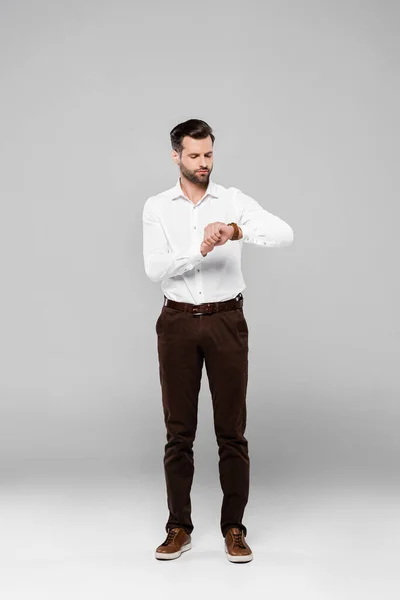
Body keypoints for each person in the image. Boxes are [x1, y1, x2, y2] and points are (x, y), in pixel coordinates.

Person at [142, 118, 294, 563]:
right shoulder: (157, 206)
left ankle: (234, 528)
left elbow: (285, 234)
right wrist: (200, 249)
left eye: (208, 154)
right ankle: (178, 527)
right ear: (176, 156)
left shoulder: (233, 201)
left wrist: (235, 230)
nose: (203, 163)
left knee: (232, 432)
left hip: (228, 320)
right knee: (179, 433)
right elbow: (154, 269)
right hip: (177, 323)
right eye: (194, 155)